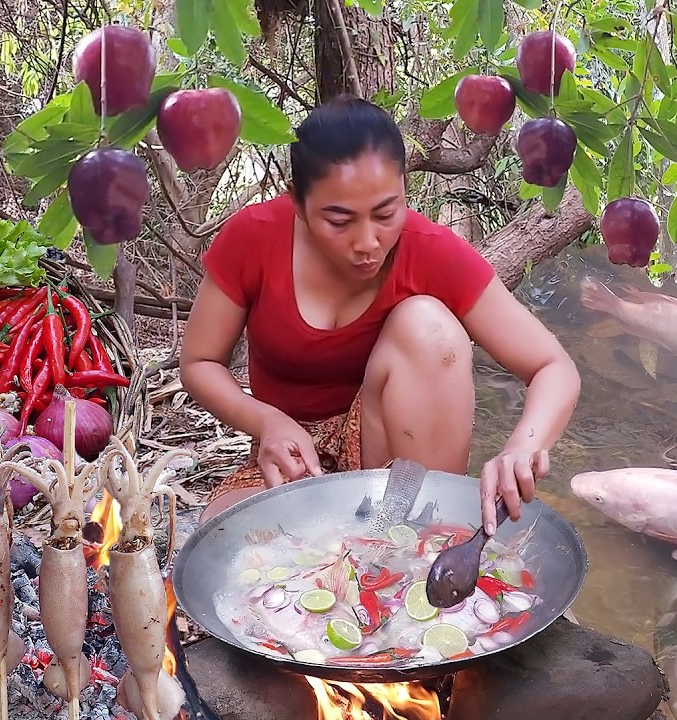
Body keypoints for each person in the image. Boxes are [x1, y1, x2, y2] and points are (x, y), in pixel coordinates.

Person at [181, 96, 581, 536]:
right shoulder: (253, 238)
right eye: (339, 221)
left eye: (386, 213)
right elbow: (200, 364)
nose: (368, 242)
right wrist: (266, 421)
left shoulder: (428, 249)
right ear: (298, 204)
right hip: (291, 455)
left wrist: (521, 449)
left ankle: (423, 535)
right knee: (228, 546)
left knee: (427, 325)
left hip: (388, 457)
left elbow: (553, 367)